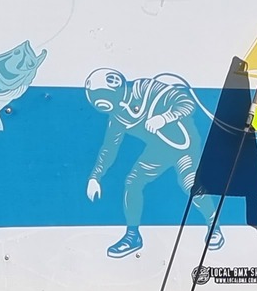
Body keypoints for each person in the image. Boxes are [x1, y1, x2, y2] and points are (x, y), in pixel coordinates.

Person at [83, 69, 225, 258]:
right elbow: (109, 148)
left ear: (115, 83)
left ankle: (213, 225)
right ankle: (132, 236)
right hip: (160, 150)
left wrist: (164, 117)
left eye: (103, 96)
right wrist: (95, 176)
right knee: (132, 182)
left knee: (189, 183)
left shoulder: (145, 88)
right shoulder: (118, 117)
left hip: (185, 143)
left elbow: (186, 103)